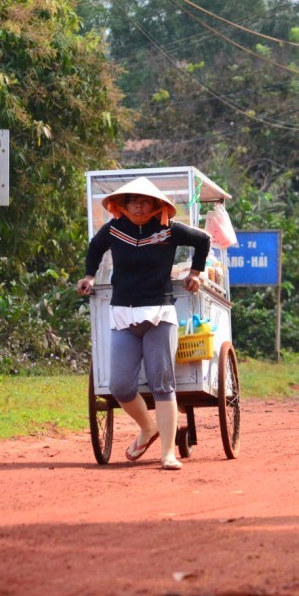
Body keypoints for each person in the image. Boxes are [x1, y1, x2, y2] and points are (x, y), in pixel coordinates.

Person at [76, 177, 211, 470]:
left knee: (163, 384)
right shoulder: (113, 230)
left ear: (156, 204)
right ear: (122, 205)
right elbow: (95, 247)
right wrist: (88, 275)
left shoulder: (168, 231)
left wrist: (197, 272)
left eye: (145, 200)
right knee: (121, 386)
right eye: (132, 200)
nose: (138, 205)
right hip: (123, 314)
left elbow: (203, 240)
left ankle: (168, 454)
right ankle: (148, 428)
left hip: (159, 315)